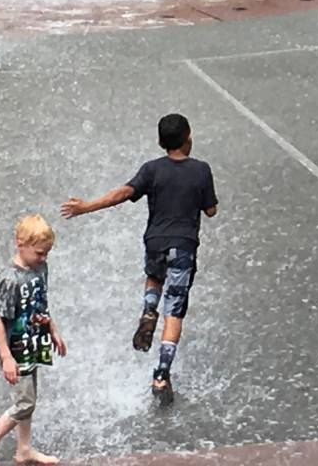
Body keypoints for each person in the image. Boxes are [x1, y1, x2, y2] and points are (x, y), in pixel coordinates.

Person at [60, 113, 219, 408]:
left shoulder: (152, 169)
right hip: (183, 246)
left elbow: (123, 193)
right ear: (189, 138)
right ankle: (161, 375)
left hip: (154, 243)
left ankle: (148, 309)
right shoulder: (201, 170)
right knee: (174, 311)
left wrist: (86, 207)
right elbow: (211, 210)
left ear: (160, 142)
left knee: (155, 278)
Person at [0, 214, 67, 466]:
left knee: (29, 398)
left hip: (34, 341)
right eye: (39, 253)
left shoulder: (39, 268)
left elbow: (40, 304)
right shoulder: (10, 279)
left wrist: (53, 329)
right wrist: (6, 356)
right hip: (16, 348)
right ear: (20, 243)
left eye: (47, 253)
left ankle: (24, 449)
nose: (43, 258)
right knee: (24, 403)